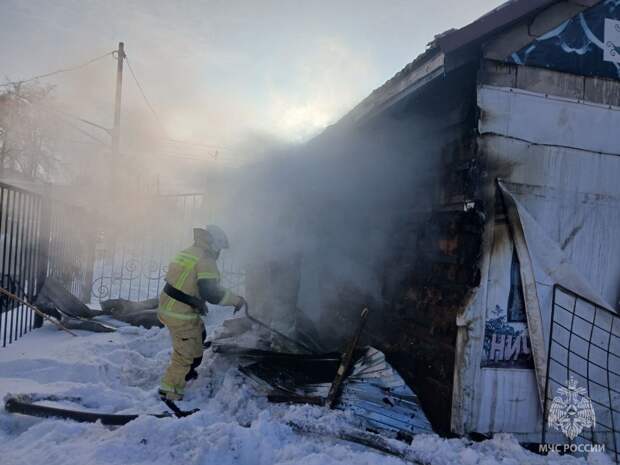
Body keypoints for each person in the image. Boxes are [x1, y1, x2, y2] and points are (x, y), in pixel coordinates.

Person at [158, 225, 246, 403]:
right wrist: (236, 300)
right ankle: (170, 391)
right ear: (214, 244)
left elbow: (182, 283)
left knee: (199, 334)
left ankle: (188, 372)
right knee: (184, 355)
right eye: (220, 249)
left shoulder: (190, 252)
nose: (220, 253)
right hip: (180, 314)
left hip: (172, 305)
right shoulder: (206, 260)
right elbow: (211, 293)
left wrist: (194, 301)